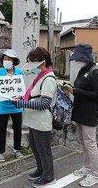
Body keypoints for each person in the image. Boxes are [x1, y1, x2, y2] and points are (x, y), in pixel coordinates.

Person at [13, 47, 57, 187]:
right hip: (34, 121)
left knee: (43, 149)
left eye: (34, 64)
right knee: (35, 147)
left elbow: (44, 103)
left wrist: (22, 103)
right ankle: (40, 170)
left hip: (41, 121)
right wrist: (22, 98)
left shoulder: (48, 79)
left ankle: (49, 176)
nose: (32, 68)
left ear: (43, 63)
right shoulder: (40, 77)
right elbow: (33, 96)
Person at [65, 43, 98, 187]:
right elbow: (81, 88)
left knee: (90, 143)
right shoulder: (83, 70)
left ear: (84, 57)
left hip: (89, 113)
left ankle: (95, 174)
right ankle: (87, 167)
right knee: (83, 141)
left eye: (77, 58)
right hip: (80, 111)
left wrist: (76, 91)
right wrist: (72, 89)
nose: (76, 61)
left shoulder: (95, 72)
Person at [0, 49, 24, 163]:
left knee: (17, 128)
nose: (6, 61)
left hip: (16, 105)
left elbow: (21, 89)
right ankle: (0, 152)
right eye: (5, 59)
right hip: (2, 106)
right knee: (1, 129)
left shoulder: (19, 73)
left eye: (9, 59)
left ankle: (17, 149)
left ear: (14, 61)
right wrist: (5, 80)